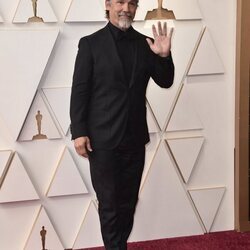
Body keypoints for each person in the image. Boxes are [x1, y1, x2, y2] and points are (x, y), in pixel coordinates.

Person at [70, 0, 174, 249]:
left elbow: (165, 81)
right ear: (108, 5)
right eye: (120, 2)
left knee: (127, 203)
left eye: (131, 3)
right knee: (109, 203)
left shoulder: (145, 43)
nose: (125, 8)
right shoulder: (90, 44)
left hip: (134, 138)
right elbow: (80, 90)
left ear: (136, 8)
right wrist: (79, 131)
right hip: (102, 140)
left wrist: (164, 55)